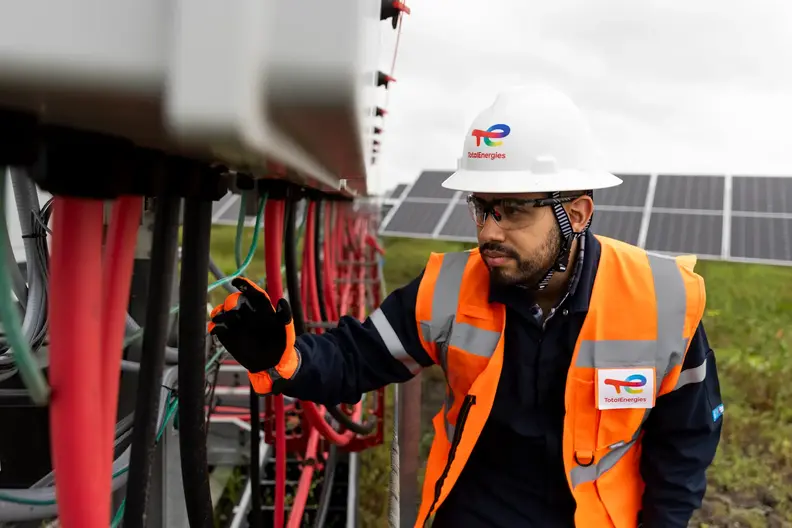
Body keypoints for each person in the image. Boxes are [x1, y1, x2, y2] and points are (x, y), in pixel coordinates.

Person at [208, 84, 723, 527]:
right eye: (481, 207)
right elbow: (355, 357)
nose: (488, 232)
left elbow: (686, 441)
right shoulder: (449, 289)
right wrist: (285, 358)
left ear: (577, 214)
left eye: (513, 210)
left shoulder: (660, 301)